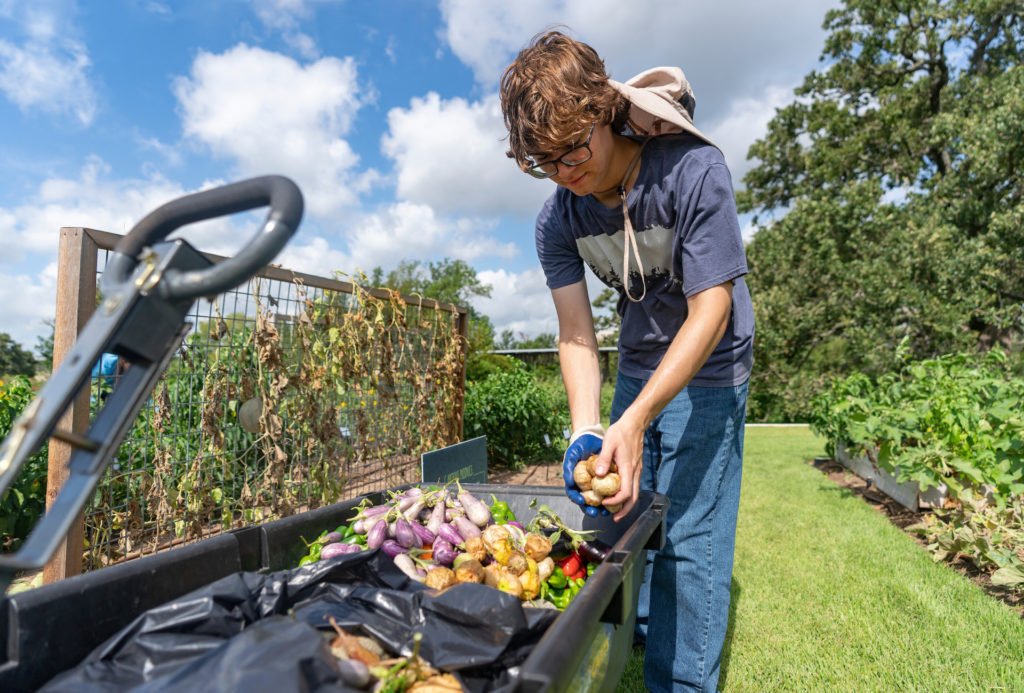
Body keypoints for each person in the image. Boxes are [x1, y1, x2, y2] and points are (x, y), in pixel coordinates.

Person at [499, 30, 754, 692]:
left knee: (691, 538)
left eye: (573, 148)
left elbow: (711, 311)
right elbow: (578, 335)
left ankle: (682, 681)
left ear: (602, 110)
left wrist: (637, 418)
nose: (564, 171)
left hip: (712, 359)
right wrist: (588, 426)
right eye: (542, 161)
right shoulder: (559, 219)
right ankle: (628, 641)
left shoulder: (692, 173)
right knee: (617, 518)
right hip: (640, 357)